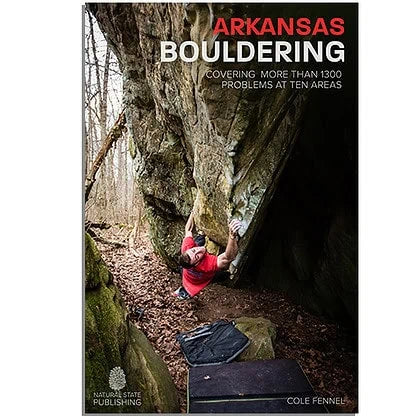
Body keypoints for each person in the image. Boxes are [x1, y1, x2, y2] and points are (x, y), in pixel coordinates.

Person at [174, 211, 242, 300]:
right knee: (223, 273)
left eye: (194, 250)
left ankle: (201, 236)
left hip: (187, 272)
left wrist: (193, 212)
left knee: (199, 240)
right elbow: (229, 257)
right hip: (201, 277)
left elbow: (188, 229)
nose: (198, 251)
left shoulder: (186, 249)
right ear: (196, 263)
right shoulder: (206, 265)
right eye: (197, 256)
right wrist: (232, 236)